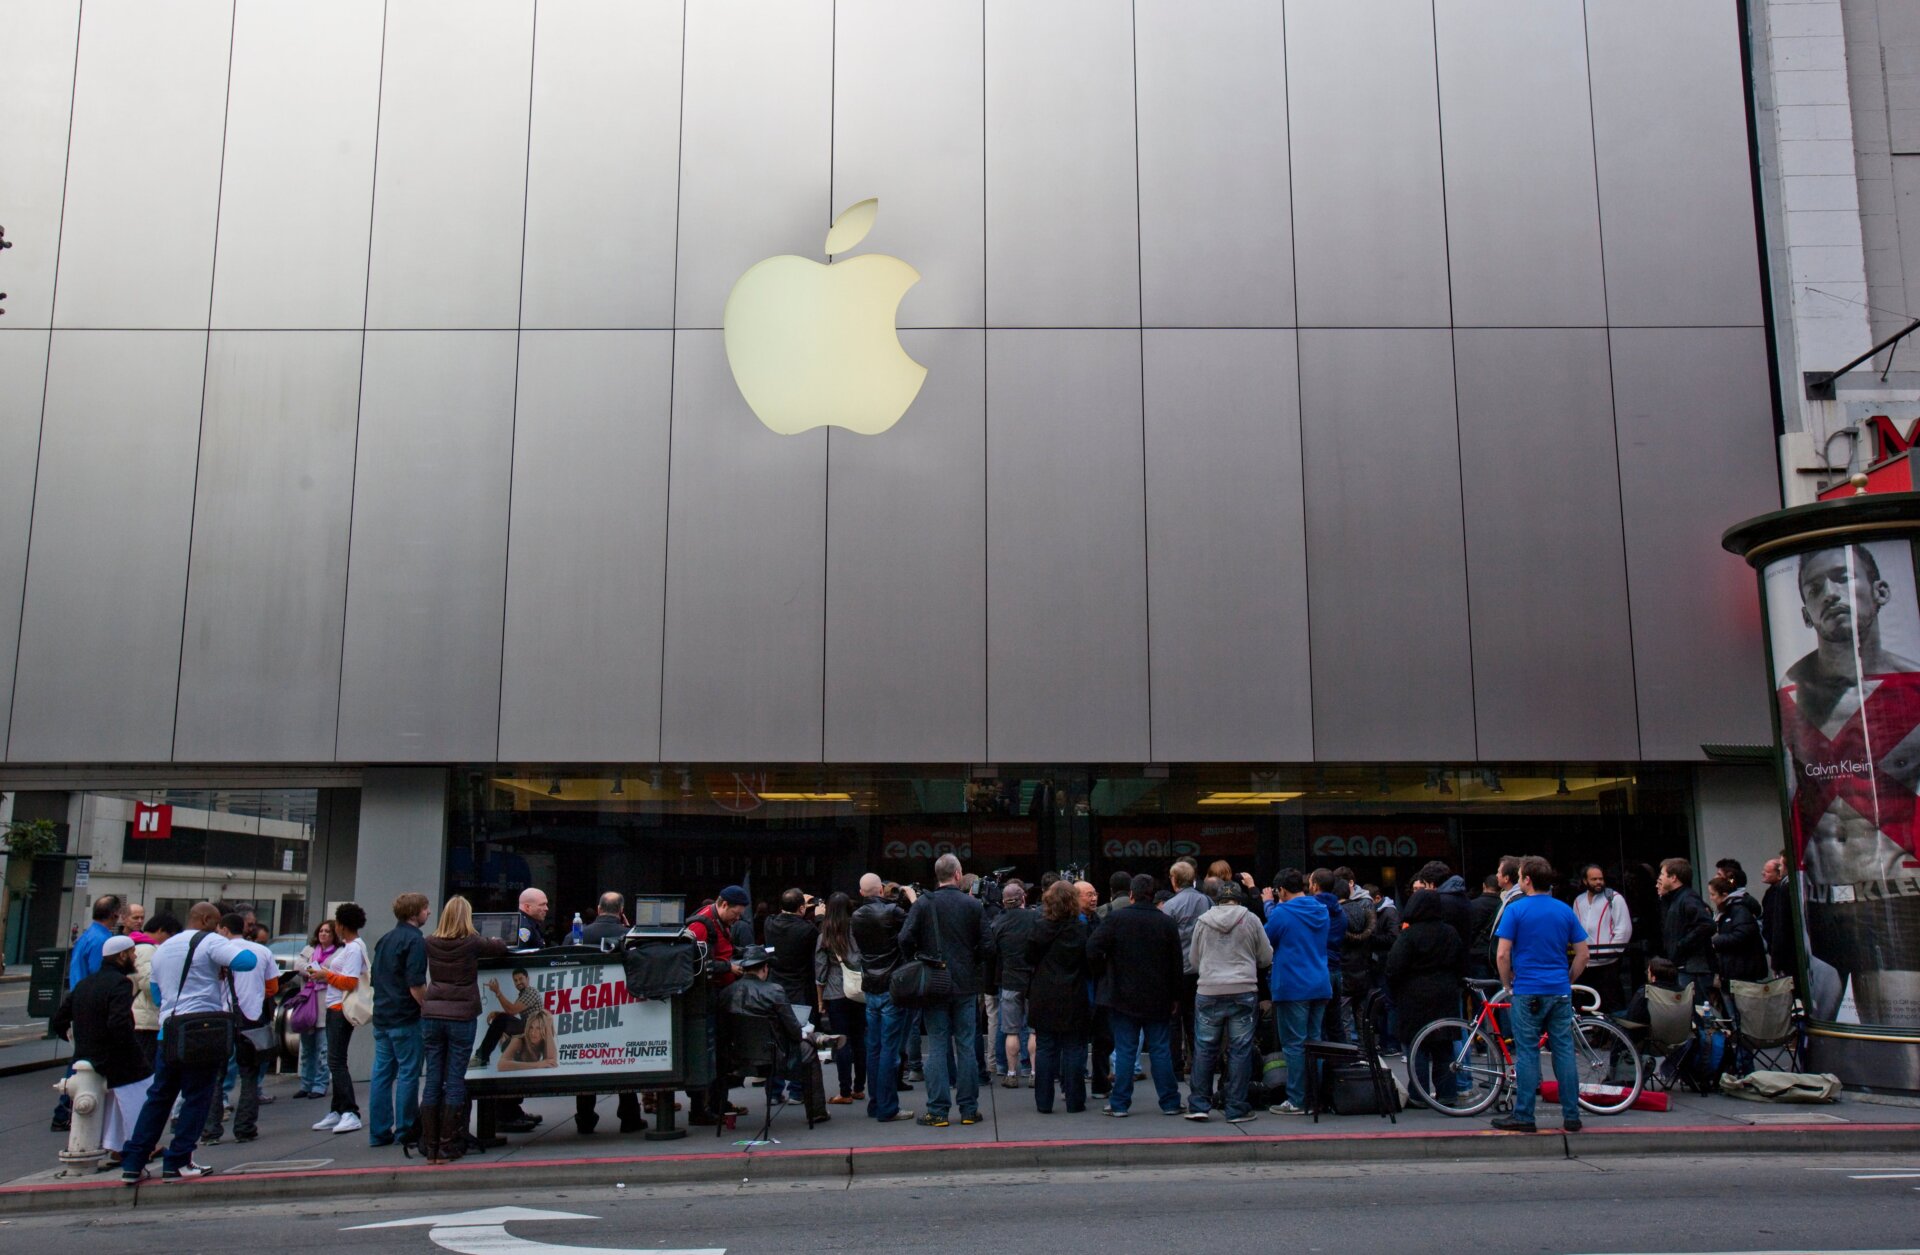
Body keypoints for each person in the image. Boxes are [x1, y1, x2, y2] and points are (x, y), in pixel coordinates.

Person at [119, 902, 261, 1184]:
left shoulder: (164, 950)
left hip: (168, 1031)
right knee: (197, 1096)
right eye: (218, 923)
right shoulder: (209, 941)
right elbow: (247, 961)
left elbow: (158, 995)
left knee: (159, 1097)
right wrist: (219, 962)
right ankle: (179, 1160)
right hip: (200, 1031)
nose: (221, 929)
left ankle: (134, 1162)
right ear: (206, 919)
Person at [1491, 858, 1589, 1134]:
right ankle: (1572, 1115)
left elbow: (1502, 953)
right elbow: (1583, 954)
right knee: (1563, 1051)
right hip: (1558, 989)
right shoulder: (1564, 911)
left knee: (1528, 1052)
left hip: (1527, 989)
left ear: (1527, 880)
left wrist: (1506, 982)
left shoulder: (1516, 909)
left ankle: (1524, 1114)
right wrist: (1567, 979)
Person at [899, 853, 986, 1128]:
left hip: (934, 982)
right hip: (964, 982)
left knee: (937, 1046)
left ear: (938, 875)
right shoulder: (972, 905)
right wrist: (970, 959)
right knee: (967, 1046)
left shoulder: (924, 903)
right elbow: (989, 946)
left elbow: (904, 939)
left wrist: (918, 959)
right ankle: (969, 1109)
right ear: (958, 874)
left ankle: (937, 1111)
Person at [420, 895, 509, 1164]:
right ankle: (448, 1145)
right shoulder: (472, 942)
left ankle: (431, 1146)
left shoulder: (430, 942)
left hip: (433, 1012)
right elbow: (500, 946)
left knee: (433, 1079)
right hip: (461, 1014)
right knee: (456, 1079)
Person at [1088, 873, 1184, 1117]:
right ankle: (1170, 1101)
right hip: (1158, 995)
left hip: (1122, 994)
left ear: (1131, 894)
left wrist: (1106, 969)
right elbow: (1176, 964)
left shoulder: (1116, 919)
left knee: (1125, 1049)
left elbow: (1092, 948)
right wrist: (1175, 996)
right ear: (1153, 895)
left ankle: (1120, 1103)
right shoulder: (1166, 922)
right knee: (1160, 1049)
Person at [51, 934, 150, 1164]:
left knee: (113, 1102)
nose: (135, 956)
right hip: (114, 1057)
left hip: (85, 1054)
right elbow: (119, 1023)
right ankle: (135, 1145)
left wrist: (79, 1043)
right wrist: (128, 1049)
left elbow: (59, 1020)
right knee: (142, 1092)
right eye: (132, 953)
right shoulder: (120, 983)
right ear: (122, 955)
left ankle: (117, 1145)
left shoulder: (85, 983)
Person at [722, 946, 844, 1124]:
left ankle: (817, 1038)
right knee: (808, 1048)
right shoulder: (774, 991)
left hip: (736, 1056)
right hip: (774, 1056)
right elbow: (794, 1031)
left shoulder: (726, 992)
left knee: (803, 1040)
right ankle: (817, 1111)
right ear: (765, 968)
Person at [1183, 877, 1272, 1123]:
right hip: (1243, 989)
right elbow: (1265, 956)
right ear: (1239, 899)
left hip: (1209, 990)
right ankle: (1236, 1107)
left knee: (1204, 1048)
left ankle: (1199, 1104)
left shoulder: (1203, 920)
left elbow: (1194, 960)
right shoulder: (1251, 919)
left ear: (1217, 900)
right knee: (1240, 1049)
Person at [1384, 889, 1466, 1108]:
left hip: (1414, 994)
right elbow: (1461, 964)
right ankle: (1447, 1092)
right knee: (1443, 1045)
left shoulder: (1409, 935)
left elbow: (1393, 966)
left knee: (1417, 1045)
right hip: (1445, 992)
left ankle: (1419, 1094)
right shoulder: (1450, 932)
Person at [574, 893, 644, 1134]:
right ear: (621, 909)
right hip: (623, 1008)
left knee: (585, 1065)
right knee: (624, 1060)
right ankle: (629, 1116)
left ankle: (584, 1118)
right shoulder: (631, 935)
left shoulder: (579, 933)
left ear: (598, 908)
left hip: (585, 1009)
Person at [53, 894, 123, 1132]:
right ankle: (65, 1109)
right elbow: (99, 976)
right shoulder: (103, 941)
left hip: (78, 1003)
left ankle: (66, 1108)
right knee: (83, 1058)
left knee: (81, 1057)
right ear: (115, 914)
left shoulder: (87, 936)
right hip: (91, 1008)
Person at [1264, 869, 1332, 1115]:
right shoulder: (1321, 910)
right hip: (1320, 981)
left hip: (1292, 985)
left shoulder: (1282, 912)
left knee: (1293, 1044)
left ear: (1281, 890)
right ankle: (1316, 1096)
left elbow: (1266, 938)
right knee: (1315, 1042)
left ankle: (1296, 1098)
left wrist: (1267, 906)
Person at [851, 873, 916, 1123]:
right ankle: (887, 1107)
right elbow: (915, 927)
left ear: (861, 893)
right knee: (890, 1049)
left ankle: (875, 1102)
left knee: (874, 1047)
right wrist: (911, 898)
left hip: (871, 985)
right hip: (891, 985)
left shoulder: (856, 917)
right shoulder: (892, 912)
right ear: (880, 889)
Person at [368, 892, 430, 1150]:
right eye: (425, 910)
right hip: (406, 1016)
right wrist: (428, 1007)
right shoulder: (415, 941)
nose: (428, 913)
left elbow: (375, 978)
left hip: (382, 1015)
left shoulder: (385, 939)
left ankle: (379, 1131)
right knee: (408, 1073)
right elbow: (416, 983)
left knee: (382, 1074)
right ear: (415, 913)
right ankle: (406, 1129)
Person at [684, 885, 750, 1126]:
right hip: (707, 1000)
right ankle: (702, 1108)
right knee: (709, 1053)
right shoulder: (701, 926)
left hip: (719, 997)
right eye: (735, 912)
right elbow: (698, 965)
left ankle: (719, 1103)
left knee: (721, 1052)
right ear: (723, 904)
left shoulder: (720, 924)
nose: (738, 918)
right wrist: (728, 967)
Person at [1025, 879, 1092, 1114]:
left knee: (1045, 1048)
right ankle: (1075, 1101)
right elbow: (1090, 962)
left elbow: (1029, 958)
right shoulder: (1081, 929)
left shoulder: (1038, 927)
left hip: (1044, 993)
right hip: (1073, 992)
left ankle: (1043, 1102)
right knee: (1074, 1048)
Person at [212, 911, 276, 1145]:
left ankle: (211, 1130)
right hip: (252, 1018)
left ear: (225, 930)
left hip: (222, 1017)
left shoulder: (216, 954)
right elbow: (272, 987)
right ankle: (245, 1128)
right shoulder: (262, 951)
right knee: (250, 1075)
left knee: (216, 1075)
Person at [308, 901, 370, 1136]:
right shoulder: (351, 947)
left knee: (336, 1061)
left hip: (339, 1008)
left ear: (342, 925)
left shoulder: (353, 949)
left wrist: (325, 974)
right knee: (336, 1060)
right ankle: (337, 1109)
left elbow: (349, 981)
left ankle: (350, 1111)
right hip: (336, 1006)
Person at [763, 888, 821, 1102]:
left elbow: (777, 916)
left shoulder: (769, 923)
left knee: (775, 1039)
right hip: (798, 988)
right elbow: (813, 934)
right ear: (801, 908)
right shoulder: (807, 930)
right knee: (799, 1038)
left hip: (774, 986)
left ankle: (774, 1091)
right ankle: (797, 1089)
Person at [815, 891, 867, 1105]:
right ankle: (859, 1088)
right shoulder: (859, 930)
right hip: (858, 990)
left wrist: (820, 1000)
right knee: (859, 1040)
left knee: (841, 1041)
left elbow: (820, 973)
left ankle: (844, 1091)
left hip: (836, 993)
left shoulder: (824, 936)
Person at [986, 881, 1040, 1088]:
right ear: (1023, 899)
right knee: (1034, 1030)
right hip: (1033, 980)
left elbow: (991, 953)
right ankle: (1034, 1072)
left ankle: (1011, 1073)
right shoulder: (1036, 917)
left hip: (1009, 980)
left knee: (1011, 1030)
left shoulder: (998, 923)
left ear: (1003, 902)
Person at [1162, 861, 1210, 1076]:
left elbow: (1164, 939)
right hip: (1200, 969)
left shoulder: (1170, 906)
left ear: (1174, 880)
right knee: (1196, 1021)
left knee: (1173, 1022)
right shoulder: (1206, 901)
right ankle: (1200, 1066)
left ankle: (1175, 1068)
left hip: (1176, 969)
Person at [1573, 864, 1633, 1010]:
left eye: (1601, 879)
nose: (1598, 882)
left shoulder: (1614, 898)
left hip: (1608, 964)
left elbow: (1624, 928)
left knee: (1610, 1003)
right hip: (1586, 964)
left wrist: (1612, 953)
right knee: (1587, 1004)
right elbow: (1574, 928)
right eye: (1594, 879)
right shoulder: (1578, 901)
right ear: (1585, 881)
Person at [1657, 858, 1716, 1002]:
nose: (1660, 878)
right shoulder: (1676, 899)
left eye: (1663, 874)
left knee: (1699, 1008)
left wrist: (1682, 944)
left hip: (1694, 967)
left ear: (1674, 877)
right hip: (1686, 965)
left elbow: (1707, 925)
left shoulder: (1687, 898)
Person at [293, 919, 338, 1099]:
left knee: (323, 1050)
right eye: (321, 931)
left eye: (328, 931)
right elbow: (299, 966)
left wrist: (320, 972)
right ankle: (306, 1083)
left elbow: (332, 972)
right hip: (307, 1005)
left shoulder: (338, 953)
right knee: (306, 1049)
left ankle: (320, 1084)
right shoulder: (309, 950)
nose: (323, 934)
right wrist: (318, 972)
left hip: (324, 1007)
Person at [130, 913, 177, 1071]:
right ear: (160, 931)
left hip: (142, 1016)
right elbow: (149, 984)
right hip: (145, 1018)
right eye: (171, 935)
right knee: (146, 1067)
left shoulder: (138, 946)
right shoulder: (147, 949)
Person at [1708, 875, 1768, 984]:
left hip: (1742, 968)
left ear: (1724, 895)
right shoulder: (1728, 911)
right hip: (1734, 967)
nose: (1711, 898)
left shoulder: (1739, 910)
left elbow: (1742, 935)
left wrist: (1716, 941)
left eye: (1713, 894)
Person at [1760, 855, 1795, 977]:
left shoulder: (1783, 890)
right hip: (1777, 947)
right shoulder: (1772, 892)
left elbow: (1779, 925)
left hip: (1786, 951)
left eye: (1767, 871)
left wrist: (1777, 959)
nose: (1762, 873)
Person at [1466, 874, 1502, 980]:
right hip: (1496, 953)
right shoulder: (1504, 906)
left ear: (1483, 886)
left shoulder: (1472, 905)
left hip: (1476, 953)